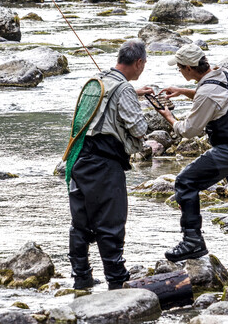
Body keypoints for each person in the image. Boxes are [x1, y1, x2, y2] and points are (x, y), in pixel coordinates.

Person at [153, 44, 228, 281]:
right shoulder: (227, 75)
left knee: (185, 182)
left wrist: (169, 117)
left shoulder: (206, 93)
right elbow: (218, 96)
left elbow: (189, 131)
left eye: (179, 68)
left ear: (188, 67)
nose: (178, 71)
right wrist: (183, 91)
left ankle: (192, 241)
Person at [69, 39, 153, 290]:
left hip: (79, 160)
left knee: (81, 223)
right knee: (111, 222)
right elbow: (139, 129)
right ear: (138, 62)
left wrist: (133, 93)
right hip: (105, 164)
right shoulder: (123, 88)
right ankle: (117, 280)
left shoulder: (97, 80)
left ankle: (81, 278)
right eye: (144, 64)